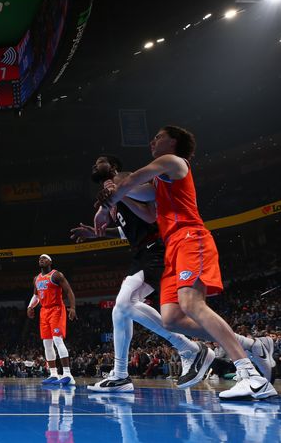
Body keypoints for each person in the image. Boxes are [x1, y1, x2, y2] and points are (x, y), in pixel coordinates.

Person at [97, 125, 276, 400]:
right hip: (172, 248)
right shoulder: (160, 182)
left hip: (191, 237)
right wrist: (115, 197)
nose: (152, 141)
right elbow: (141, 199)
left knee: (192, 304)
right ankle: (253, 346)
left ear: (174, 141)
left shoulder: (174, 161)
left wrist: (113, 194)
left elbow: (133, 180)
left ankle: (249, 374)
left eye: (159, 137)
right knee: (171, 319)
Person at [75, 155, 213, 393]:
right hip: (141, 251)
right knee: (120, 311)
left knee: (125, 304)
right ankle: (120, 375)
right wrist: (98, 233)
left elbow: (150, 216)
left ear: (113, 165)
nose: (95, 165)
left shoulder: (125, 178)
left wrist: (121, 193)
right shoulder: (112, 193)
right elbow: (126, 230)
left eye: (100, 161)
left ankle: (188, 348)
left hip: (155, 248)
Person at [27, 254, 77, 386]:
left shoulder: (56, 275)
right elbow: (36, 296)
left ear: (50, 261)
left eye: (44, 258)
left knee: (57, 339)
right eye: (39, 259)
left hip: (56, 309)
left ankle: (67, 374)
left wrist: (72, 308)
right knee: (47, 344)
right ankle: (54, 374)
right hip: (44, 311)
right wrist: (30, 306)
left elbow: (69, 291)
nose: (41, 260)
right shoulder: (36, 279)